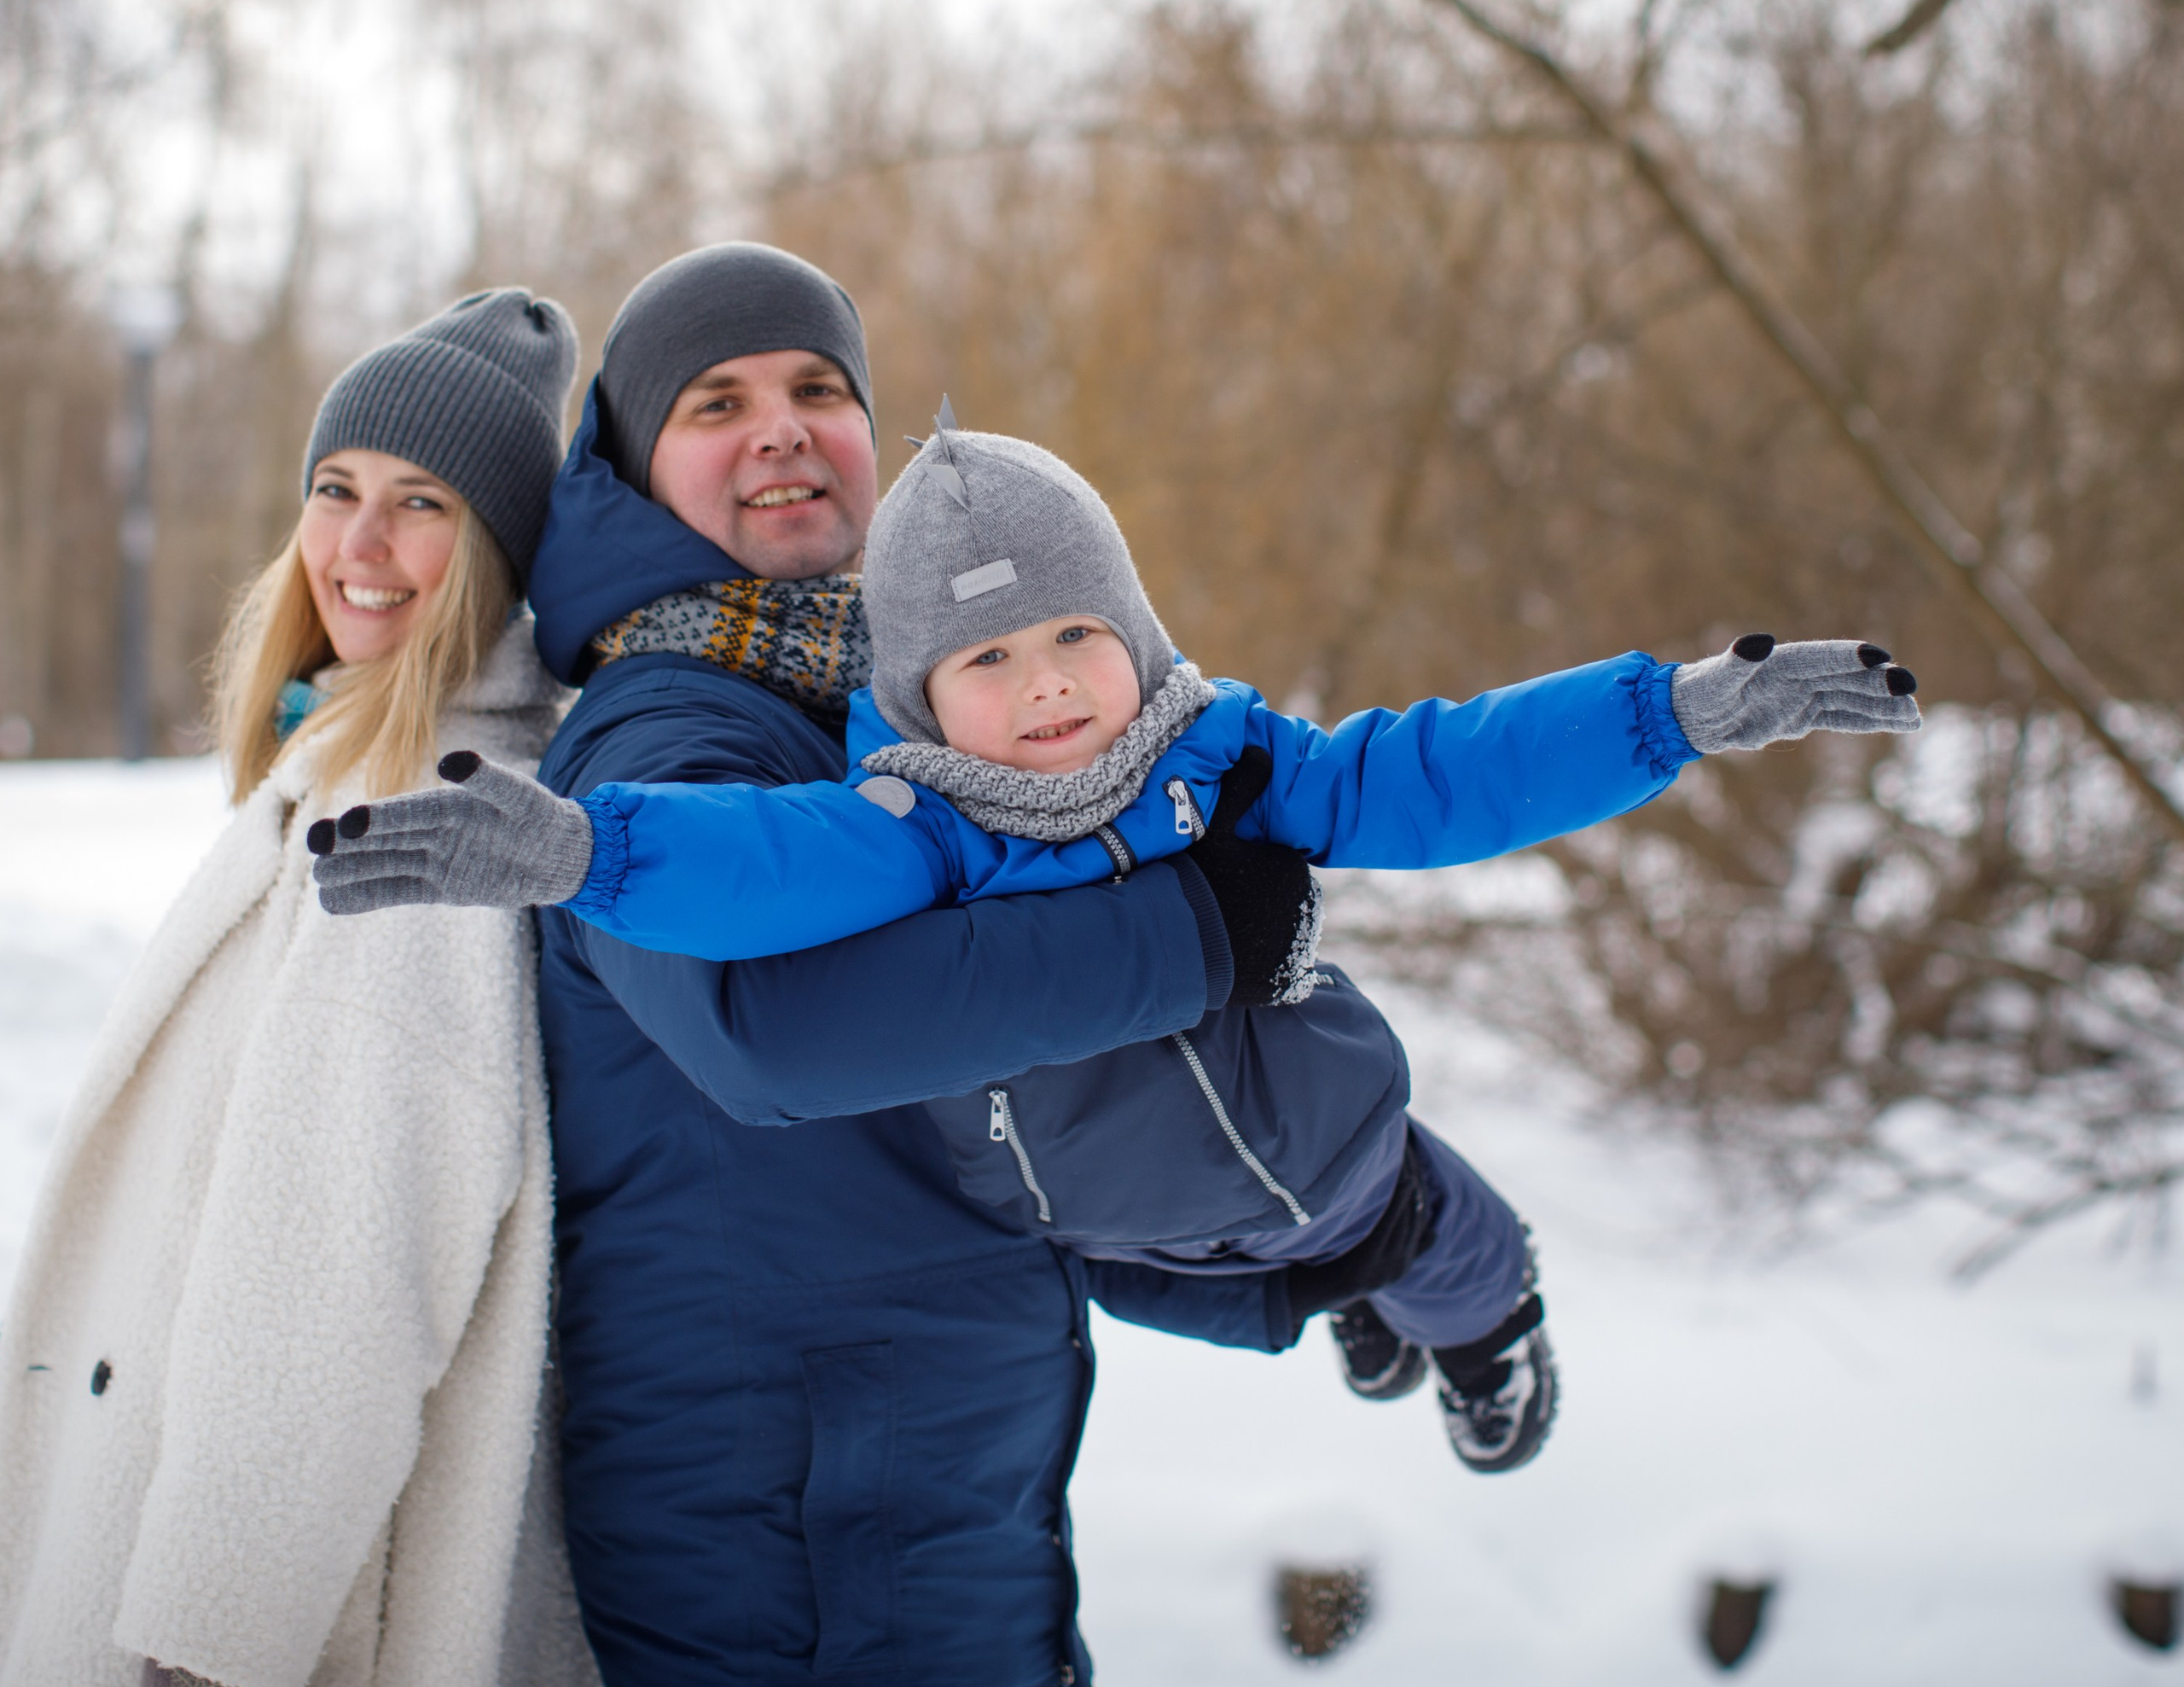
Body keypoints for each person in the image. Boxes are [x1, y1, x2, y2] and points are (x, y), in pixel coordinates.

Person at [313, 418, 1923, 1479]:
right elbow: (760, 865)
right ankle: (1347, 1306)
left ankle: (1488, 1329)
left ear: (1136, 633)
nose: (1050, 685)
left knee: (1418, 1242)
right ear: (923, 697)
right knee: (1284, 1296)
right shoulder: (915, 826)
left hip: (1336, 1145)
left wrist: (1671, 714)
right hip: (1108, 1233)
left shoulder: (1224, 762)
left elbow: (1436, 769)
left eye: (1079, 633)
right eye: (993, 657)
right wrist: (590, 851)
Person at [367, 244, 1367, 1687]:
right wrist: (1201, 934)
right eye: (717, 401)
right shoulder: (666, 729)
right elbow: (768, 1039)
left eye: (818, 388)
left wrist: (1307, 1262)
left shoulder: (902, 700)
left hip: (923, 1516)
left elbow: (969, 1123)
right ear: (637, 467)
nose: (780, 425)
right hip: (796, 1556)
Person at [0, 292, 616, 1687]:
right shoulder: (355, 753)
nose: (359, 545)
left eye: (424, 505)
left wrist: (213, 1658)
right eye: (335, 492)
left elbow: (331, 1290)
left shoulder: (415, 821)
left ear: (502, 558)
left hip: (244, 1645)